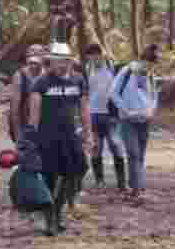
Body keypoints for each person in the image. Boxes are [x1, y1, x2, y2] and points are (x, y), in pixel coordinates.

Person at [26, 41, 94, 235]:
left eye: (65, 61)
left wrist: (89, 134)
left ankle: (58, 209)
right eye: (57, 61)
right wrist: (31, 140)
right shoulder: (41, 82)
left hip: (70, 137)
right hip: (47, 138)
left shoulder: (78, 80)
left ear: (70, 61)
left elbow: (84, 109)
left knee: (75, 172)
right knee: (48, 178)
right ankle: (49, 219)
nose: (61, 65)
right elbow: (34, 115)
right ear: (51, 62)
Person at [110, 43, 160, 203]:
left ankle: (136, 185)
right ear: (141, 61)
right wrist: (124, 110)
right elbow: (113, 93)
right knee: (133, 153)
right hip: (128, 120)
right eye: (147, 65)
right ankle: (136, 190)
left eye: (151, 66)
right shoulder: (127, 72)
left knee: (141, 155)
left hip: (144, 120)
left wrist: (152, 110)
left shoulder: (150, 75)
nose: (148, 69)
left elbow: (154, 96)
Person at [84, 43, 126, 191]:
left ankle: (122, 182)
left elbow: (120, 89)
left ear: (101, 55)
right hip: (93, 113)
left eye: (96, 56)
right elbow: (85, 92)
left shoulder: (112, 67)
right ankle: (99, 181)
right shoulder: (87, 69)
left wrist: (120, 110)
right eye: (90, 57)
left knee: (115, 145)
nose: (93, 59)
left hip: (111, 114)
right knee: (96, 148)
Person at [8, 44, 46, 143]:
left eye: (36, 62)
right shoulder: (19, 76)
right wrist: (17, 136)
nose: (33, 65)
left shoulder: (48, 75)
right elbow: (15, 109)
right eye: (31, 62)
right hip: (25, 125)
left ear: (43, 59)